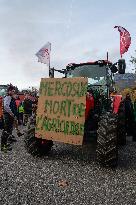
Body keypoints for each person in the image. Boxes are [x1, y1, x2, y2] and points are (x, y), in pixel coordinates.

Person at [1, 85, 16, 151]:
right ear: (9, 91)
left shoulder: (9, 97)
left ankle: (5, 143)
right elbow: (6, 106)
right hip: (7, 116)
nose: (13, 92)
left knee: (8, 130)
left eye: (14, 91)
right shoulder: (8, 97)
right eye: (12, 91)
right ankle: (3, 146)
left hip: (8, 115)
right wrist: (11, 113)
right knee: (6, 130)